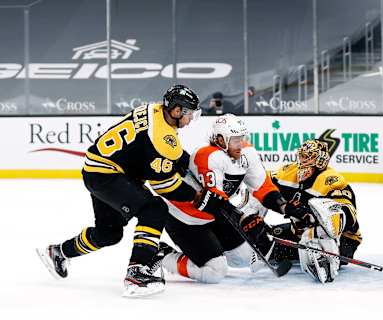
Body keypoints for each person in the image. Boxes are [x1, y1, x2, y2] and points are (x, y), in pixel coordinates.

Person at [36, 85, 203, 297]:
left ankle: (58, 252)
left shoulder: (152, 109)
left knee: (109, 233)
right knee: (154, 209)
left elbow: (156, 149)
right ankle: (137, 272)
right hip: (108, 175)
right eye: (190, 114)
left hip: (97, 171)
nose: (190, 121)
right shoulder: (163, 139)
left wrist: (182, 160)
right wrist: (195, 195)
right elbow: (164, 186)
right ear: (177, 111)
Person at [152, 114, 310, 283]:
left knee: (244, 257)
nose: (240, 144)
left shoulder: (246, 154)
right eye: (235, 140)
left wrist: (285, 207)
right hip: (185, 219)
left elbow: (263, 187)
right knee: (215, 272)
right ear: (220, 140)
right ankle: (163, 255)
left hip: (214, 216)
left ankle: (206, 251)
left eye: (241, 138)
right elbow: (212, 202)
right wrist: (243, 218)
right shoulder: (207, 156)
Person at [249, 139, 362, 283]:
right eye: (302, 156)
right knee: (264, 230)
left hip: (341, 239)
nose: (303, 161)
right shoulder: (289, 172)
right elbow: (261, 183)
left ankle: (326, 260)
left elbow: (348, 215)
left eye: (308, 157)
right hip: (299, 231)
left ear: (320, 159)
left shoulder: (331, 180)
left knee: (312, 236)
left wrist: (315, 221)